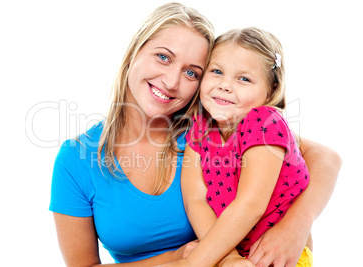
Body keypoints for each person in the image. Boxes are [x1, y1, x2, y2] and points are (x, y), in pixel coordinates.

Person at [49, 3, 341, 267]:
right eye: (163, 57)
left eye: (192, 73)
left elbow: (325, 158)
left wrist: (296, 225)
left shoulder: (215, 127)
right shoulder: (76, 159)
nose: (172, 81)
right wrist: (179, 258)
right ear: (134, 52)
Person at [157, 27, 314, 267]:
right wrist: (227, 258)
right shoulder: (200, 127)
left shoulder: (265, 121)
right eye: (217, 72)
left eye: (244, 79)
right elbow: (195, 200)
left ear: (270, 90)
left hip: (275, 257)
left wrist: (193, 264)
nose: (225, 85)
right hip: (224, 254)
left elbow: (251, 205)